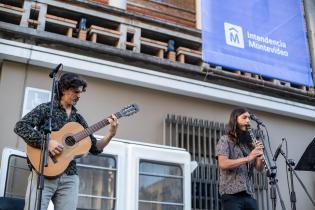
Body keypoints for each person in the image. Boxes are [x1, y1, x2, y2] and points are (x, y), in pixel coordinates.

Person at [14, 72, 118, 210]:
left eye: (81, 92)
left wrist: (110, 134)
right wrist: (46, 142)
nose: (79, 95)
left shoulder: (78, 119)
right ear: (64, 89)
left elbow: (95, 148)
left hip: (70, 177)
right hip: (42, 173)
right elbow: (20, 126)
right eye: (76, 92)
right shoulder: (46, 109)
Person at [216, 107, 264, 210]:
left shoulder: (248, 144)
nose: (248, 121)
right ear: (235, 119)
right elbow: (223, 163)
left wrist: (260, 153)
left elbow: (259, 168)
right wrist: (248, 158)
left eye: (249, 118)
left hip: (248, 194)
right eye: (244, 117)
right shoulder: (225, 140)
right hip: (231, 194)